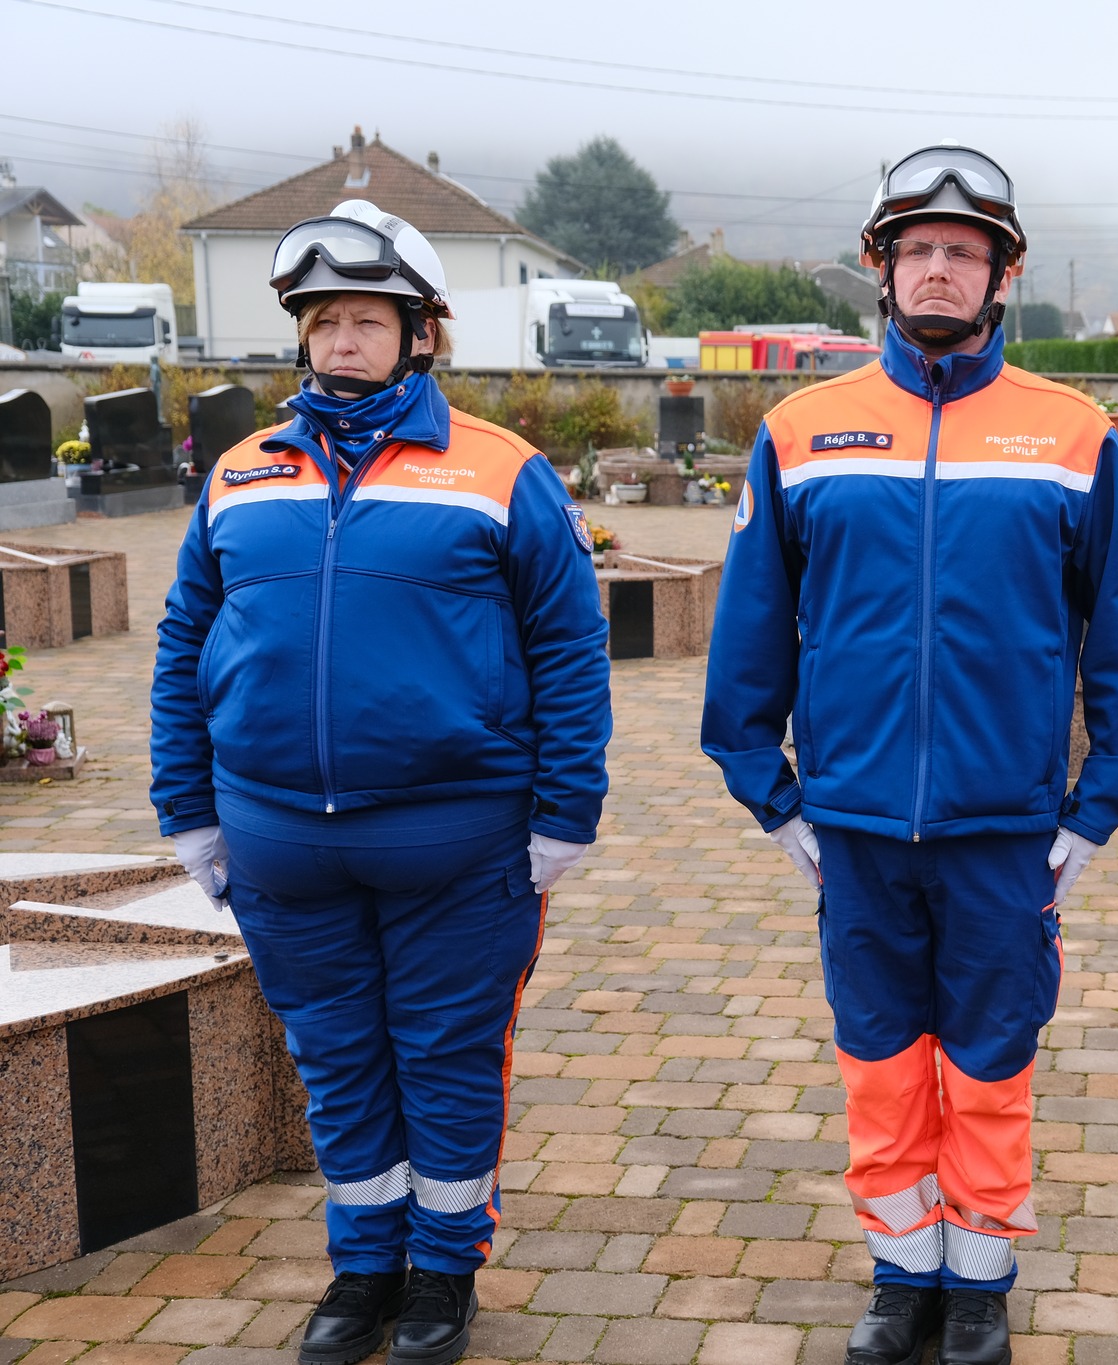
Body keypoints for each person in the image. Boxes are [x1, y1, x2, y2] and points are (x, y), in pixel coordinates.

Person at [702, 145, 1118, 1365]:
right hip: (854, 827)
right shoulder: (802, 431)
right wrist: (771, 796)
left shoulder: (1069, 435)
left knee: (988, 1062)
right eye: (915, 247)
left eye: (962, 252)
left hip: (1003, 831)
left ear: (1001, 275)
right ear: (880, 266)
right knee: (877, 1061)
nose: (936, 269)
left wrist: (1095, 808)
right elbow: (750, 630)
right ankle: (901, 1270)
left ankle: (978, 1277)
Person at [150, 199, 611, 1365]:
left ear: (420, 333)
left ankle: (443, 1273)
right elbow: (183, 643)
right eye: (322, 322)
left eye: (365, 320)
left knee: (445, 1065)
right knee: (339, 1067)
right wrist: (187, 810)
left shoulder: (501, 471)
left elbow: (568, 649)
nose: (341, 341)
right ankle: (364, 1269)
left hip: (457, 846)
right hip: (281, 848)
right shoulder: (241, 474)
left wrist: (566, 814)